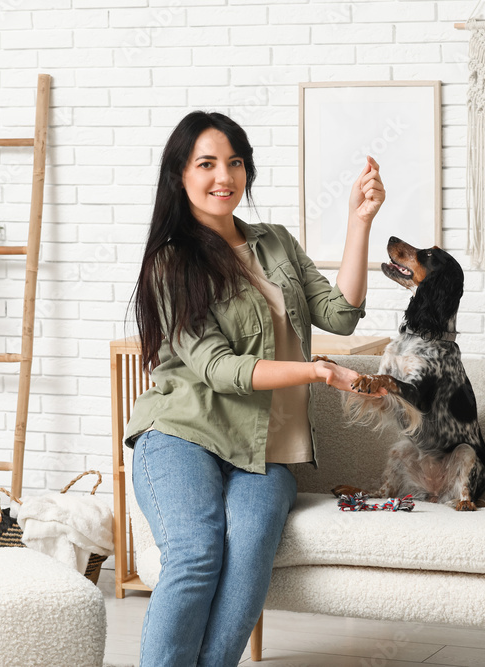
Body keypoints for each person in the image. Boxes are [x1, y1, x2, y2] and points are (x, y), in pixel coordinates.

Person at [124, 110, 385, 666]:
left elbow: (339, 316)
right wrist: (318, 372)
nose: (225, 176)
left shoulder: (276, 243)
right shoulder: (171, 263)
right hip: (182, 434)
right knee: (195, 554)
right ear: (180, 176)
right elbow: (220, 370)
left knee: (245, 562)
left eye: (235, 162)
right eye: (207, 163)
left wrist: (359, 223)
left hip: (265, 451)